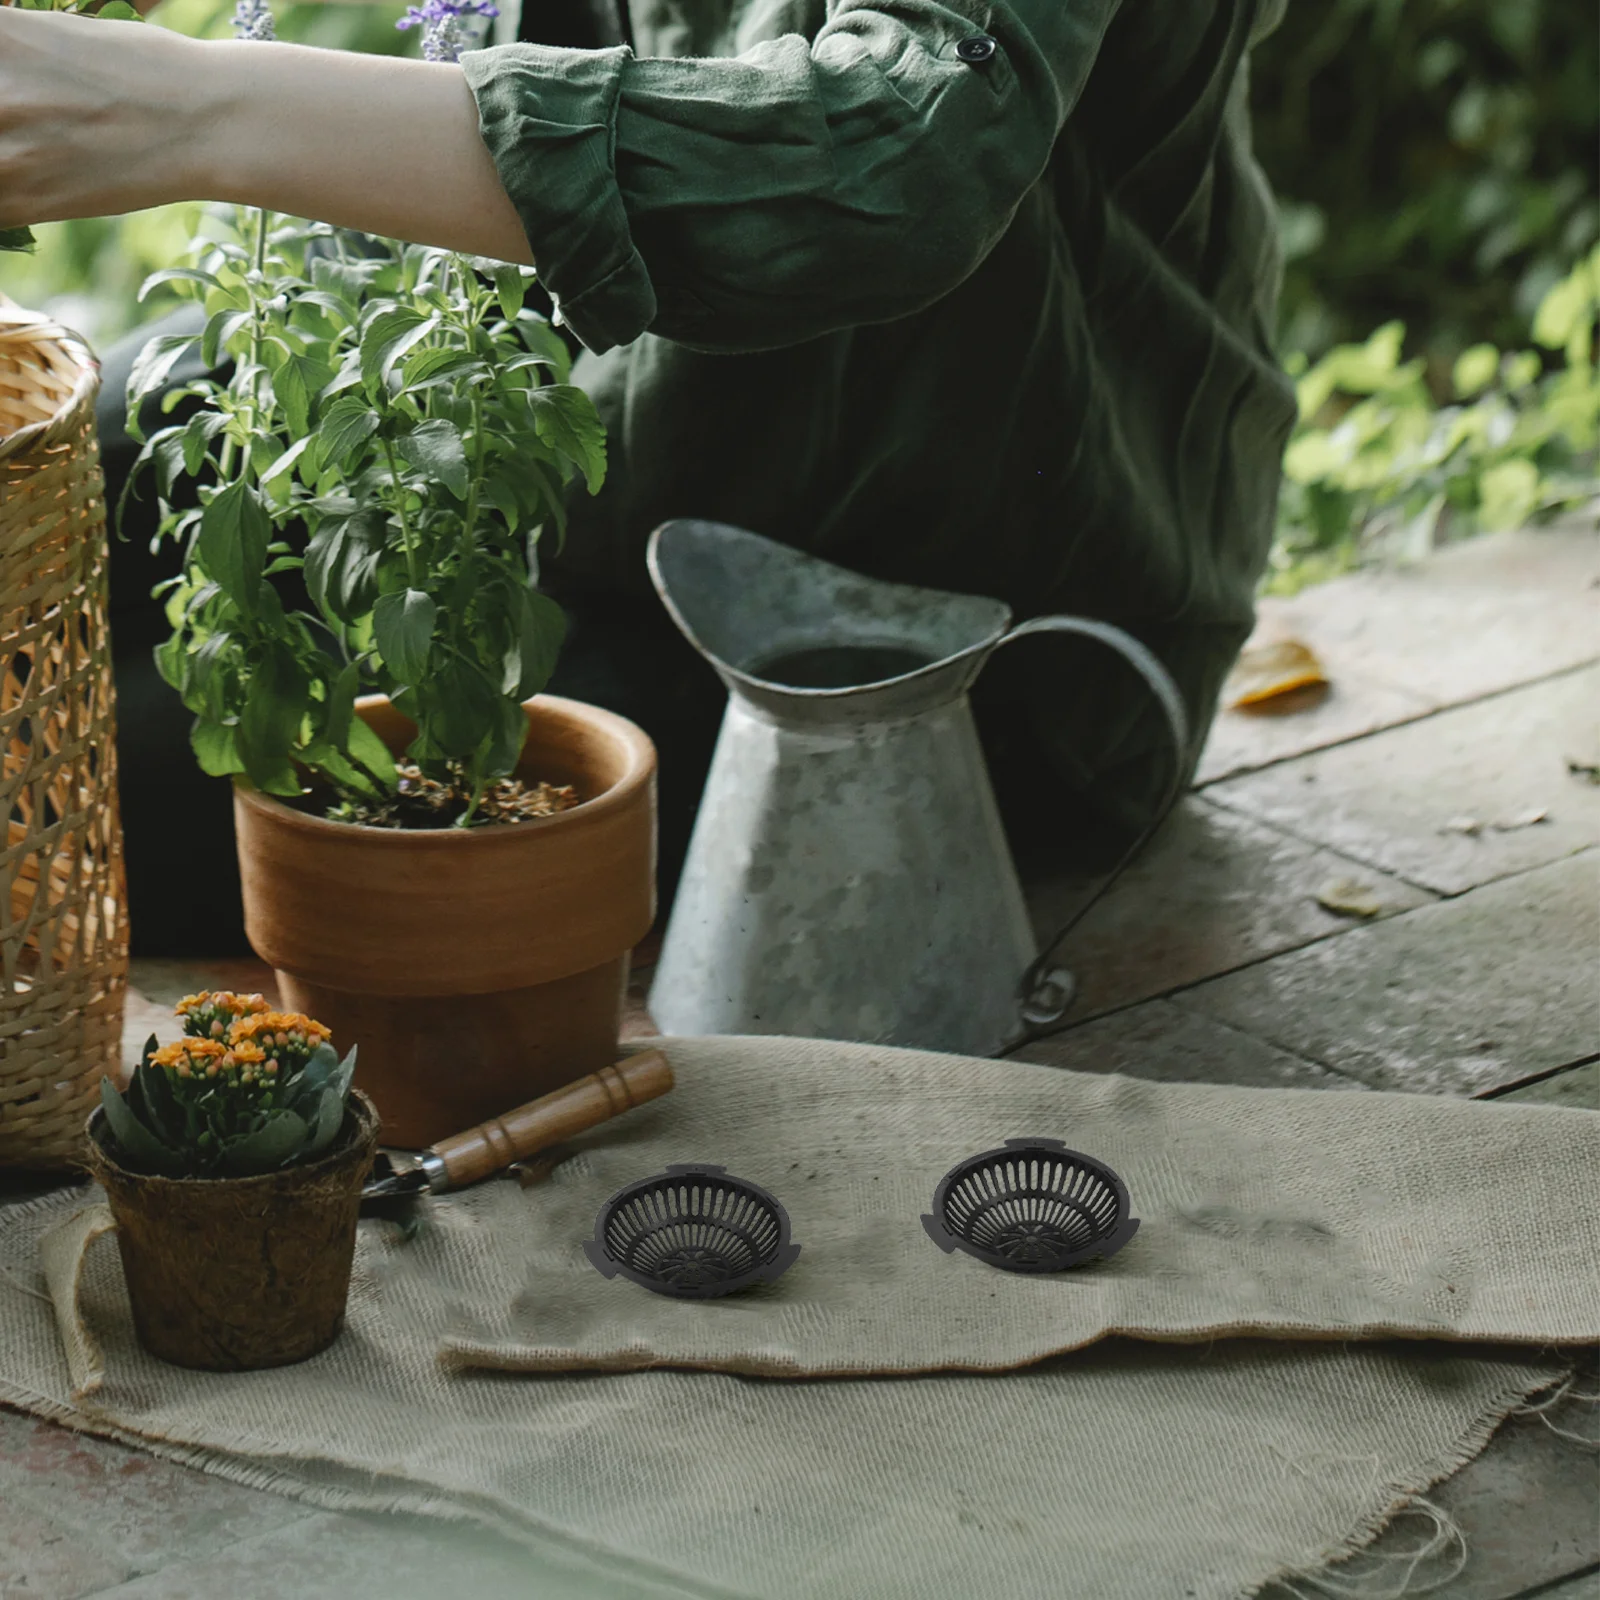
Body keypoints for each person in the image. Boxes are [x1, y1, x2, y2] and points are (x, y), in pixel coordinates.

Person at [2, 0, 1297, 955]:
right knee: (100, 440)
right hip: (611, 445)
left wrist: (186, 105)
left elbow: (901, 155)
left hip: (931, 640)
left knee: (90, 793)